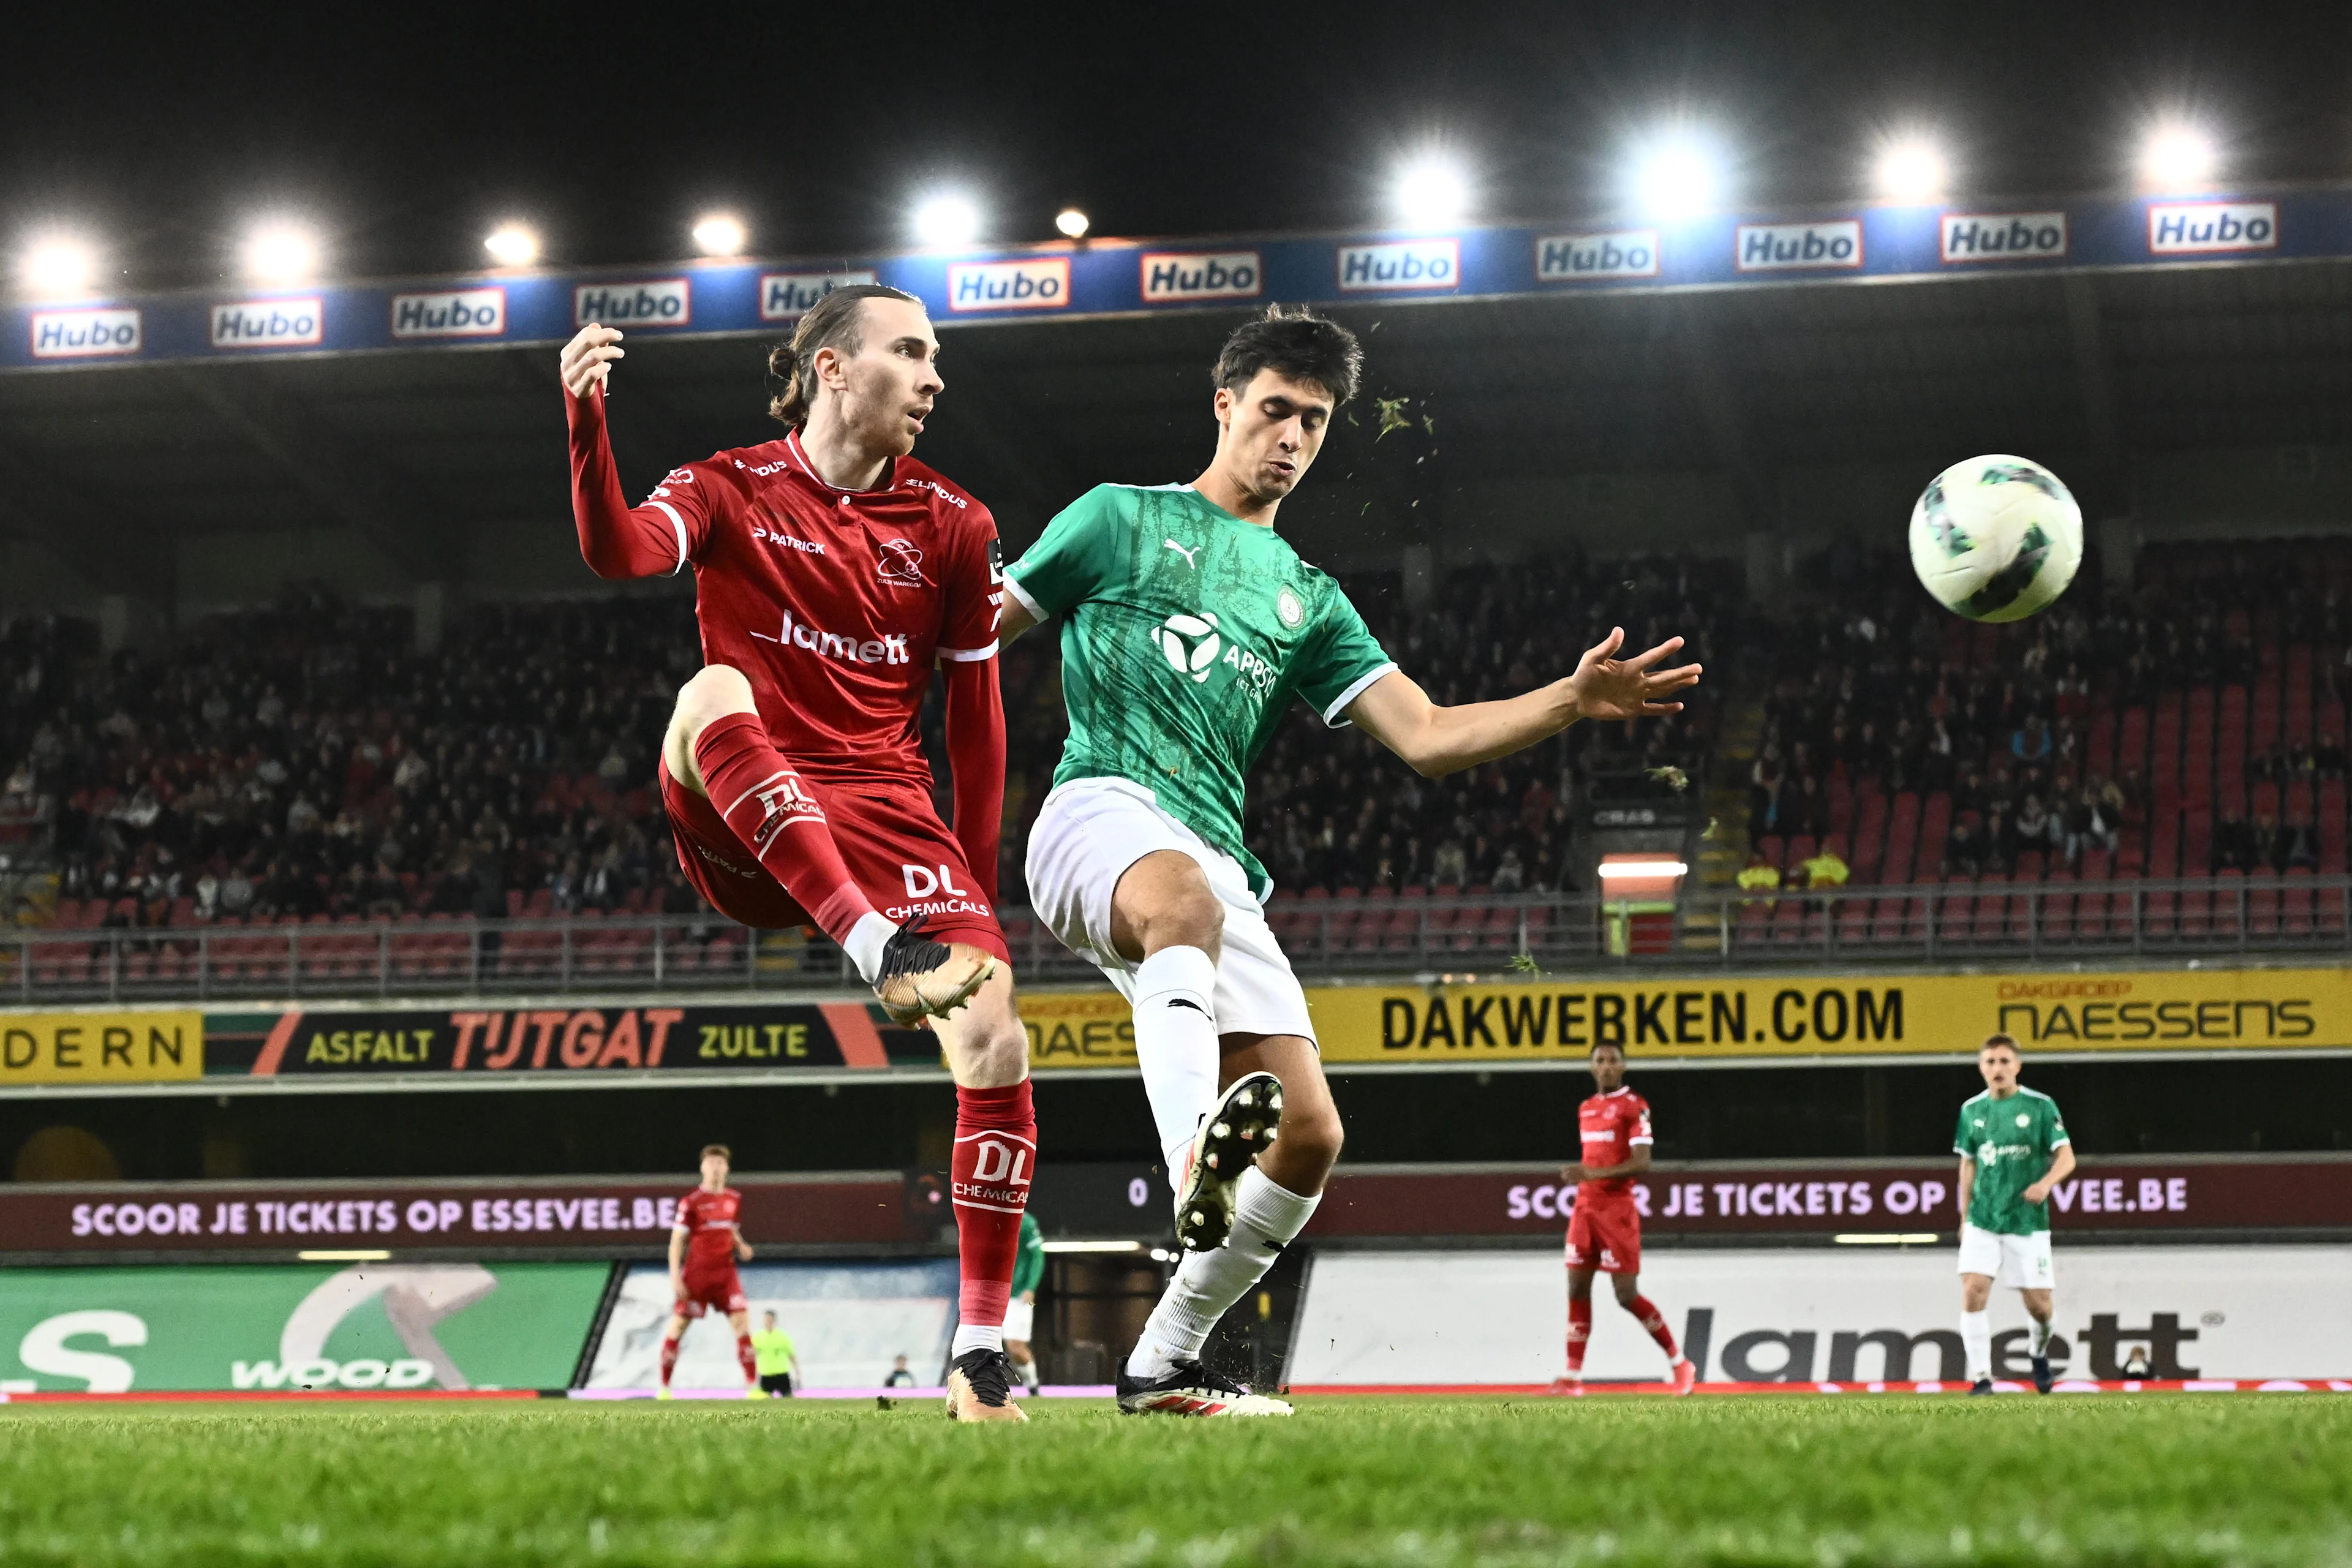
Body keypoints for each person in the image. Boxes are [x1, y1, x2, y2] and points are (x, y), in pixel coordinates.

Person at [998, 306, 1699, 1418]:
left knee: (1313, 1134)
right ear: (1224, 404)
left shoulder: (1309, 599)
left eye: (1313, 423)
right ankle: (1194, 1161)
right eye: (1273, 409)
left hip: (1216, 859)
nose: (1290, 437)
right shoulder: (1115, 520)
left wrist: (1571, 700)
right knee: (1178, 904)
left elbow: (1425, 737)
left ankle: (1166, 1358)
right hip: (1097, 811)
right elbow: (979, 626)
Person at [562, 290, 1037, 1422]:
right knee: (711, 688)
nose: (934, 378)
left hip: (884, 810)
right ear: (833, 367)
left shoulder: (957, 525)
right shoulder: (728, 484)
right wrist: (586, 423)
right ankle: (879, 947)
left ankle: (979, 1362)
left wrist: (971, 897)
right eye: (910, 353)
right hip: (744, 808)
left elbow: (977, 723)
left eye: (937, 358)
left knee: (996, 1037)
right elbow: (621, 551)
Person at [1547, 1044, 1698, 1396]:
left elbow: (1643, 1162)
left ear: (1624, 1066)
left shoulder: (1635, 1106)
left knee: (1626, 1294)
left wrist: (1592, 1173)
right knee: (1576, 1287)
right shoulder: (1586, 1108)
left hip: (1617, 1210)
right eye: (1600, 1061)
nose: (1607, 1067)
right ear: (1591, 1068)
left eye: (1613, 1060)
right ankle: (1572, 1377)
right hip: (1585, 1209)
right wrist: (1589, 1178)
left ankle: (1680, 1363)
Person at [1955, 1033, 2075, 1395]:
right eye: (1990, 1062)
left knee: (2039, 1307)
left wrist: (2046, 1183)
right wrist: (1964, 1217)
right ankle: (1981, 1378)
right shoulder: (1971, 1111)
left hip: (2027, 1222)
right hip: (1984, 1219)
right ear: (1981, 1068)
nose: (1998, 1068)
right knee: (1973, 1290)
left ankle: (2038, 1353)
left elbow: (2067, 1158)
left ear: (2018, 1066)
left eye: (2005, 1061)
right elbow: (1968, 1166)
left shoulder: (2040, 1106)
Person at [658, 1144, 758, 1400]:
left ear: (727, 1168)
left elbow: (730, 1229)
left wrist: (741, 1245)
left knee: (742, 1324)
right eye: (711, 1162)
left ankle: (753, 1387)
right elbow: (677, 1242)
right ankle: (665, 1388)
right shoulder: (691, 1203)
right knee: (678, 1328)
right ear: (702, 1167)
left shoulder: (734, 1199)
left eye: (720, 1163)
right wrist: (674, 1276)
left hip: (726, 1274)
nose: (716, 1167)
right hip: (697, 1275)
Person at [1003, 1210, 1045, 1393]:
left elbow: (1038, 1255)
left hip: (1018, 1295)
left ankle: (1033, 1385)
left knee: (1015, 1345)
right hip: (996, 1292)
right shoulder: (987, 1216)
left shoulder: (1025, 1221)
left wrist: (1031, 1286)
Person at [752, 1310, 802, 1398]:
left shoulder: (783, 1337)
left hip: (781, 1374)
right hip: (766, 1374)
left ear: (774, 1321)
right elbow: (752, 1357)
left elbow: (792, 1356)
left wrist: (798, 1373)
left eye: (769, 1320)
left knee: (788, 1399)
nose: (767, 1323)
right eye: (765, 1320)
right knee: (764, 1402)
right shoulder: (758, 1337)